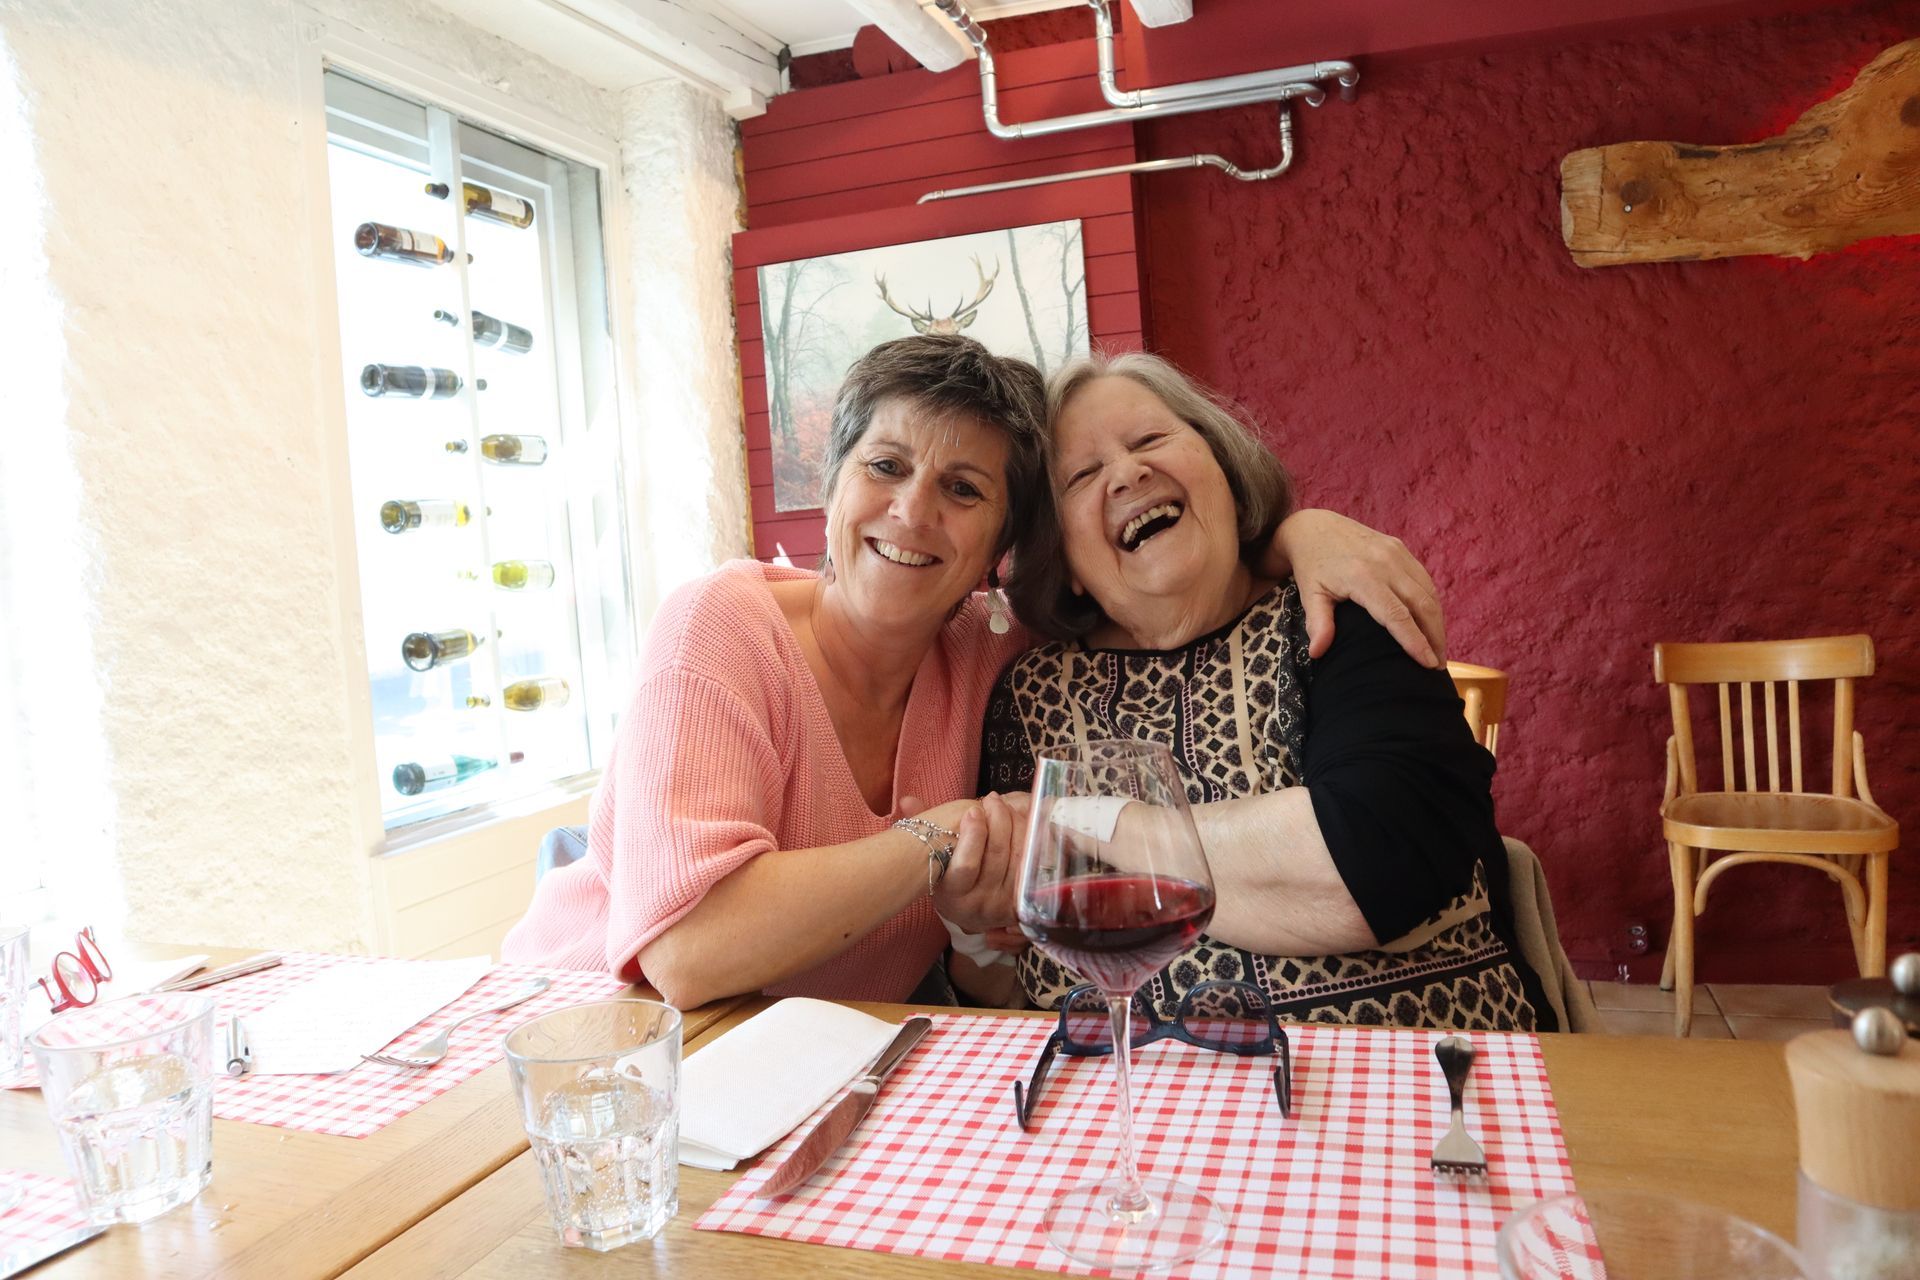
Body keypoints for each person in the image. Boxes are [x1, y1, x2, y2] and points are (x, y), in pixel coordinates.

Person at [504, 335, 1446, 1011]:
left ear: (999, 548)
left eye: (963, 490)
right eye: (885, 465)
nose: (913, 514)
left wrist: (1296, 530)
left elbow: (1155, 582)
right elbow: (690, 953)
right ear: (830, 487)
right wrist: (942, 835)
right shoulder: (721, 625)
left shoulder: (989, 650)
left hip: (837, 1061)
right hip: (600, 1038)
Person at [983, 351, 1551, 1030]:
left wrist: (1089, 824)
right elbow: (1008, 954)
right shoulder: (1030, 691)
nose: (1128, 473)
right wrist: (972, 919)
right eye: (1082, 475)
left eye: (1150, 440)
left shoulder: (1333, 610)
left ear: (1223, 470)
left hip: (1416, 1076)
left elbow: (1371, 873)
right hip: (1142, 1097)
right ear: (1064, 560)